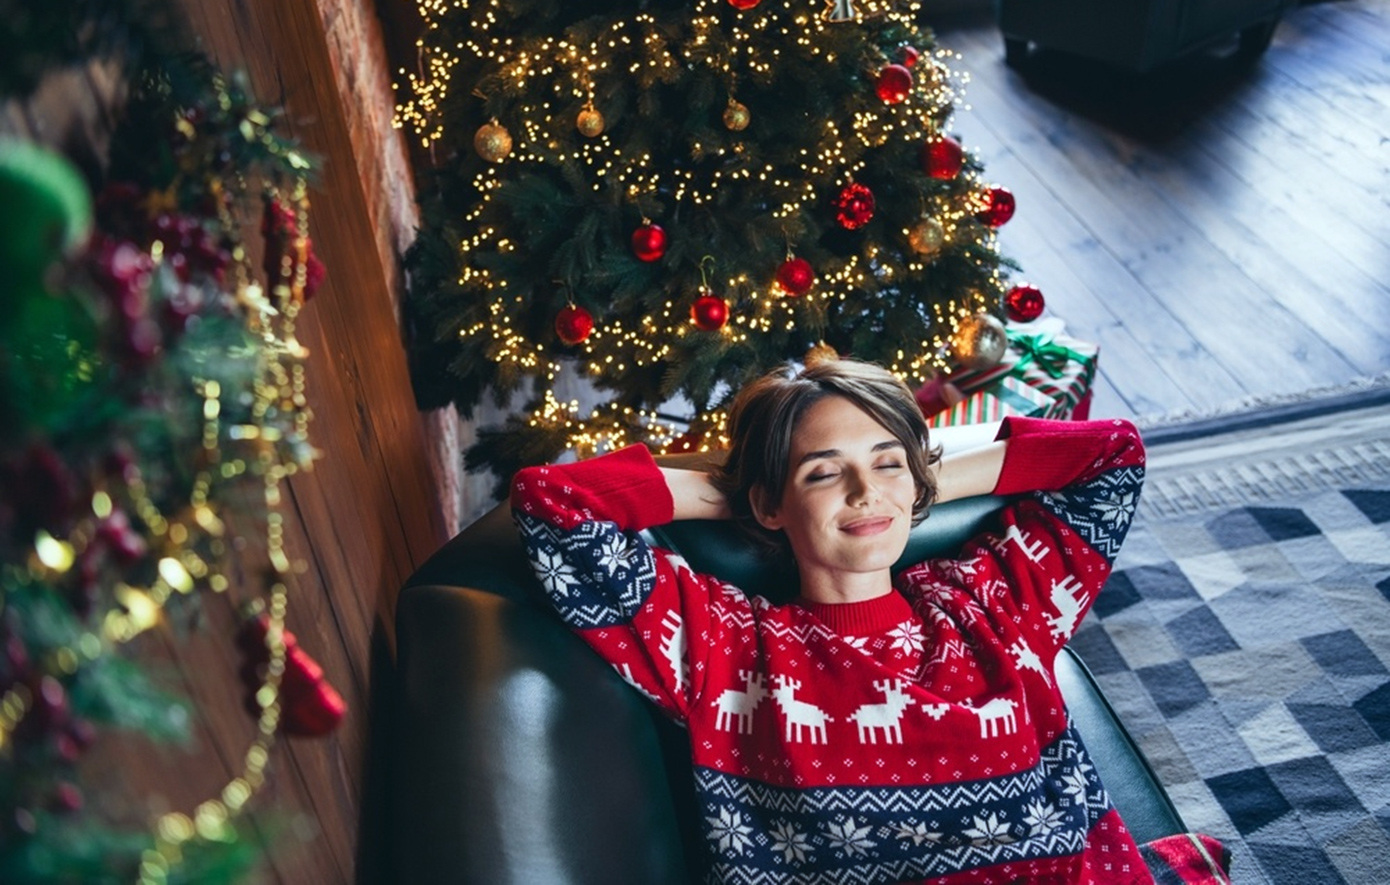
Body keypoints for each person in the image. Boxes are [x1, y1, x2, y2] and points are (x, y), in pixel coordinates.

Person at [510, 358, 1226, 884]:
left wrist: (919, 477)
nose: (863, 492)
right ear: (769, 504)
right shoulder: (724, 644)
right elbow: (553, 502)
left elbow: (1111, 455)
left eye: (884, 464)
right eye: (824, 472)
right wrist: (735, 489)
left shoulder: (995, 598)